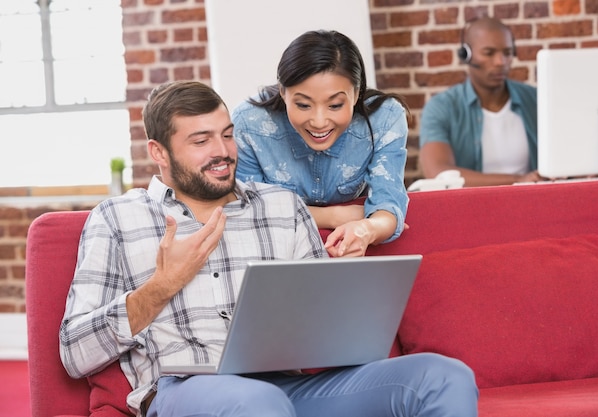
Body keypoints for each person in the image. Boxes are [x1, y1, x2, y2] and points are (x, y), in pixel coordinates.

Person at [59, 80, 478, 417]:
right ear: (159, 153)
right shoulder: (116, 219)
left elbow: (325, 327)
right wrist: (161, 286)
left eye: (226, 135)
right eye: (201, 141)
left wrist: (342, 297)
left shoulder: (282, 206)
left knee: (443, 376)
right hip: (183, 391)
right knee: (258, 404)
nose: (222, 152)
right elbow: (74, 354)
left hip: (289, 385)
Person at [232, 30, 410, 258]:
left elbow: (389, 205)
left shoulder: (385, 118)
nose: (318, 122)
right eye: (303, 105)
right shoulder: (249, 123)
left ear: (356, 94)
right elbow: (247, 212)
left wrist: (367, 228)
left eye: (335, 105)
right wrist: (335, 216)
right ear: (283, 92)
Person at [419, 16, 546, 187]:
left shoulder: (537, 99)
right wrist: (518, 181)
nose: (501, 62)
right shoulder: (442, 107)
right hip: (472, 207)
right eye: (489, 53)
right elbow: (438, 173)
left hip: (534, 204)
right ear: (467, 55)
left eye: (507, 53)